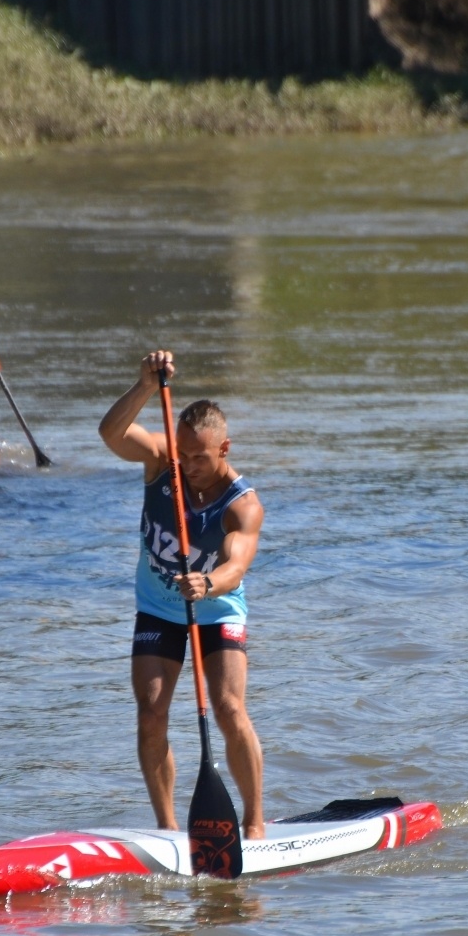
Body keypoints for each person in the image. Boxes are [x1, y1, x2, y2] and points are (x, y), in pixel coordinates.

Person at [99, 350, 267, 840]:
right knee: (151, 713)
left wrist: (208, 582)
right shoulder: (160, 461)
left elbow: (236, 566)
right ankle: (169, 829)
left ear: (225, 449)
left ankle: (254, 822)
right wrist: (144, 386)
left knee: (228, 707)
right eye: (184, 454)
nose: (189, 466)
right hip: (158, 607)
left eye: (201, 458)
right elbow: (111, 435)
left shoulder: (243, 505)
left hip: (216, 608)